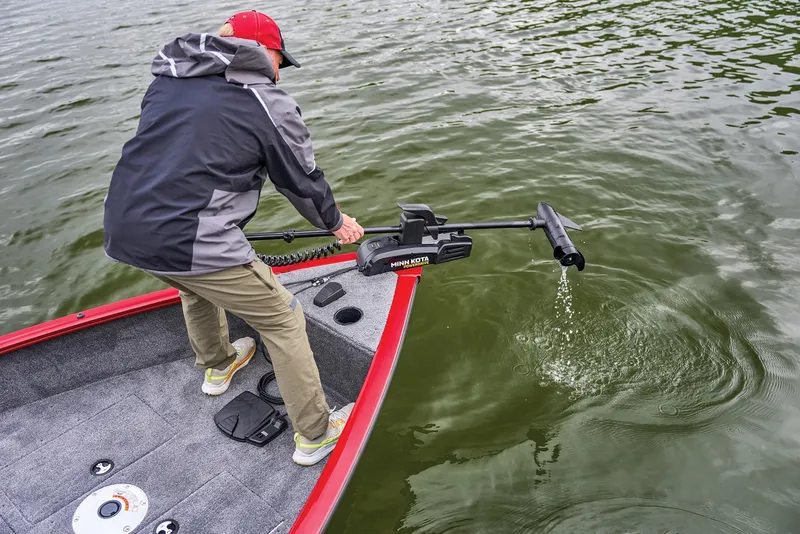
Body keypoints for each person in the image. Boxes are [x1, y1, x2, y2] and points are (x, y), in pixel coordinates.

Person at [103, 10, 365, 466]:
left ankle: (219, 363)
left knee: (194, 287)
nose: (279, 70)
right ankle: (317, 434)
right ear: (262, 50)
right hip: (192, 239)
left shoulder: (169, 81)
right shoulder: (266, 101)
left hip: (126, 228)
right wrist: (334, 221)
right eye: (280, 58)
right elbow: (299, 177)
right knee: (284, 321)